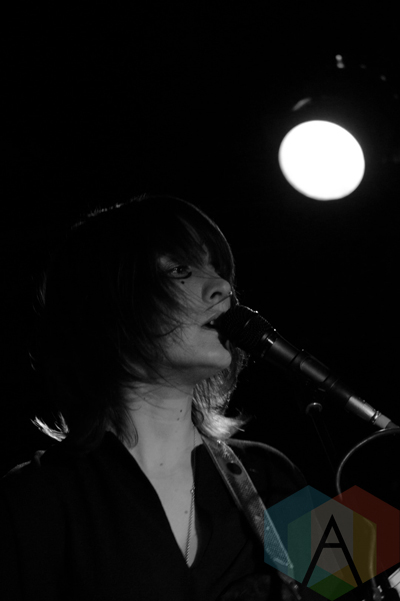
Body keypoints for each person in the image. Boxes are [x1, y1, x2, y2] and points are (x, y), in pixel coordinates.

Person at [1, 195, 306, 601]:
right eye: (180, 269)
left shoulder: (268, 473)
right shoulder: (34, 499)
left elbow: (367, 580)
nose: (222, 287)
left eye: (217, 269)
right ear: (107, 303)